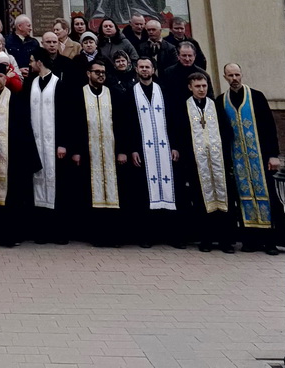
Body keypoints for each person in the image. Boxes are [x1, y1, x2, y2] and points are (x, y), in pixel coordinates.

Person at [218, 62, 282, 253]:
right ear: (225, 77)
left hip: (260, 158)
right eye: (230, 75)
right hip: (238, 160)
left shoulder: (256, 96)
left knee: (267, 197)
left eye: (237, 74)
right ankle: (251, 240)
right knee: (243, 198)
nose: (234, 79)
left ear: (241, 75)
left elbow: (269, 126)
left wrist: (273, 155)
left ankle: (270, 241)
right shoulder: (221, 101)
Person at [60, 60, 122, 246]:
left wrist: (122, 151)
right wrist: (76, 151)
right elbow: (73, 124)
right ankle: (95, 235)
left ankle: (113, 235)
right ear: (88, 73)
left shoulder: (112, 94)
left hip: (110, 152)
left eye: (103, 72)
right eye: (97, 72)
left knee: (113, 191)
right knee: (89, 191)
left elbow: (121, 125)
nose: (101, 75)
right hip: (88, 153)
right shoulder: (79, 94)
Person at [125, 56, 181, 247]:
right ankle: (147, 236)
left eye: (147, 67)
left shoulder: (164, 91)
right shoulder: (130, 93)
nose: (144, 70)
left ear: (153, 69)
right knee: (144, 193)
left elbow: (173, 120)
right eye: (141, 67)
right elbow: (128, 124)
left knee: (171, 190)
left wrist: (175, 145)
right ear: (136, 69)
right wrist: (133, 149)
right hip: (143, 151)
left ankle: (173, 235)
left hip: (165, 149)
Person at [176, 72, 234, 252]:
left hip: (218, 161)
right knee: (200, 200)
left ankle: (226, 241)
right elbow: (180, 135)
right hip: (197, 163)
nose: (201, 89)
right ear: (190, 87)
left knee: (224, 198)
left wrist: (224, 155)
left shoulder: (215, 106)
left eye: (204, 86)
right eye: (197, 86)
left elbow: (227, 131)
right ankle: (206, 240)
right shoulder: (184, 107)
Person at [0, 60, 31, 247]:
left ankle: (11, 235)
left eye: (0, 76)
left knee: (11, 196)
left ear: (6, 78)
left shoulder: (16, 99)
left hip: (11, 156)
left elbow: (23, 129)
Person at [26, 45, 67, 243]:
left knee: (56, 184)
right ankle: (40, 232)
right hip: (36, 144)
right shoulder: (31, 84)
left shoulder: (59, 84)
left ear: (39, 62)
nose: (30, 64)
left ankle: (58, 232)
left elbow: (65, 115)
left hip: (54, 146)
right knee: (37, 183)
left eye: (32, 60)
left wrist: (63, 144)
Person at [162, 42, 214, 106]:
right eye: (184, 55)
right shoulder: (168, 73)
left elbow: (210, 98)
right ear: (178, 56)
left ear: (194, 56)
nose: (187, 59)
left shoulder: (203, 74)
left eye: (190, 55)